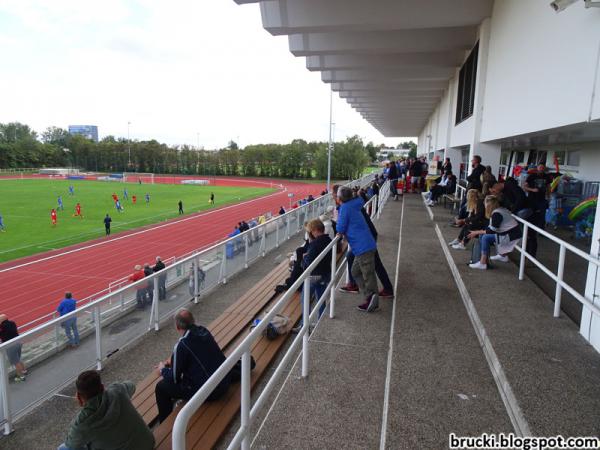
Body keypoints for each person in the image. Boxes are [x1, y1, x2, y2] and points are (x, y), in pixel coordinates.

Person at [155, 309, 229, 423]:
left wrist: (162, 369)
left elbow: (175, 378)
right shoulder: (204, 330)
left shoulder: (182, 345)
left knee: (161, 387)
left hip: (211, 392)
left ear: (177, 327)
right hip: (223, 381)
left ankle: (165, 423)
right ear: (193, 321)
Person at [58, 370, 154, 450]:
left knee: (63, 448)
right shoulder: (117, 390)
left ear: (79, 397)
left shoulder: (83, 422)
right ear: (103, 387)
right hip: (147, 444)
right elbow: (131, 385)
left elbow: (71, 444)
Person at [336, 186, 379, 312]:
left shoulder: (345, 208)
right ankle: (369, 296)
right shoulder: (355, 203)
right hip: (363, 245)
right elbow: (360, 199)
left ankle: (372, 298)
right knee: (355, 272)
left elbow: (340, 228)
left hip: (363, 246)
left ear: (340, 198)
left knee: (368, 274)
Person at [292, 219, 332, 333]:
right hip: (326, 274)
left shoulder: (315, 243)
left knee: (305, 300)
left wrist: (304, 257)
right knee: (321, 299)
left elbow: (307, 264)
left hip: (314, 276)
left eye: (310, 231)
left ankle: (305, 326)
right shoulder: (328, 239)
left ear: (314, 230)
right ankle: (321, 324)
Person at [468, 195, 522, 270]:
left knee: (485, 238)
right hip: (512, 233)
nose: (484, 205)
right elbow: (491, 227)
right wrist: (478, 232)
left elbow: (492, 230)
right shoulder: (499, 210)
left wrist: (476, 232)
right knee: (482, 235)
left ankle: (483, 263)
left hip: (513, 235)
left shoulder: (497, 213)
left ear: (489, 205)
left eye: (485, 203)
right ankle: (502, 256)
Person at [523, 164, 551, 258]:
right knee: (530, 215)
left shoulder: (547, 177)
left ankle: (541, 230)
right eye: (540, 168)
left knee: (542, 216)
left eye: (543, 168)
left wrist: (549, 196)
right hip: (532, 199)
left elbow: (548, 187)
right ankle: (528, 228)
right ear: (537, 169)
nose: (541, 169)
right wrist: (532, 189)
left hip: (542, 200)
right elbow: (525, 187)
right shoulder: (531, 176)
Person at [0, 314, 27, 382]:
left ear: (2, 320)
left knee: (16, 362)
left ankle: (21, 377)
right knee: (18, 358)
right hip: (18, 342)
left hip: (11, 345)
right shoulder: (12, 323)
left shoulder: (2, 327)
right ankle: (24, 371)